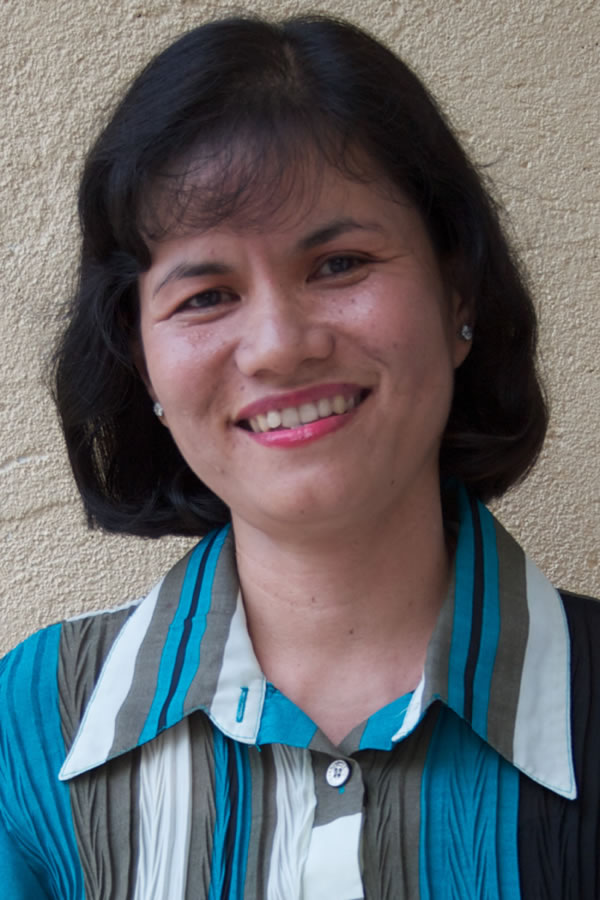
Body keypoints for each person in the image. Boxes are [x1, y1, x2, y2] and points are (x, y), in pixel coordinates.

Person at [0, 13, 598, 900]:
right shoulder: (31, 726)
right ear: (142, 363)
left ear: (458, 295)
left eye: (340, 264)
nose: (279, 347)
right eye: (207, 294)